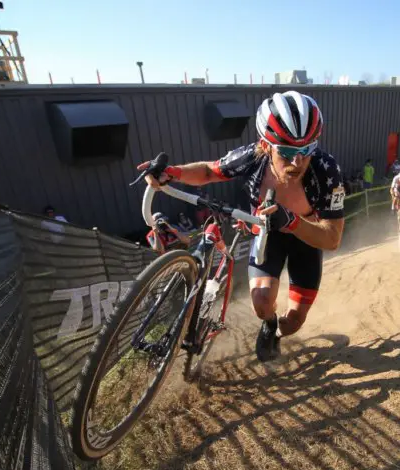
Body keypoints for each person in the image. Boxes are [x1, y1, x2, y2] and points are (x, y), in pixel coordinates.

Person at [137, 90, 345, 362]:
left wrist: (292, 220)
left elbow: (331, 239)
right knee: (261, 304)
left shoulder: (325, 169)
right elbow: (210, 171)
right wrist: (172, 173)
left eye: (307, 150)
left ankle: (280, 330)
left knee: (294, 321)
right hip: (268, 235)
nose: (298, 162)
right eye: (288, 152)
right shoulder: (253, 156)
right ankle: (269, 323)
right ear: (267, 145)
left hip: (306, 238)